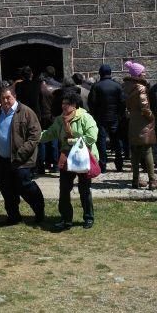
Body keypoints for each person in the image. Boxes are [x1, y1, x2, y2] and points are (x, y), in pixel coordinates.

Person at [40, 89, 98, 230]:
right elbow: (50, 133)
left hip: (83, 156)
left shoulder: (85, 117)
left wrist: (72, 140)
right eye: (63, 103)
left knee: (84, 189)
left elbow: (91, 137)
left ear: (75, 105)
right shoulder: (60, 120)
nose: (64, 106)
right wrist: (34, 137)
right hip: (66, 156)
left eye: (68, 104)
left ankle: (88, 218)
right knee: (64, 189)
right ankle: (66, 219)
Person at [0, 87, 45, 226]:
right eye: (2, 98)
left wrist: (21, 153)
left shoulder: (26, 112)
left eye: (8, 97)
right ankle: (13, 216)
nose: (5, 101)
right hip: (4, 159)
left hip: (22, 160)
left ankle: (40, 212)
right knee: (7, 189)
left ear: (14, 96)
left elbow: (35, 135)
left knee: (26, 187)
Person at [123, 60, 157, 190]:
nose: (145, 73)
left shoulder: (126, 86)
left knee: (135, 152)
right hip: (143, 122)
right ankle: (152, 180)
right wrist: (152, 117)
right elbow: (145, 107)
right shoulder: (141, 87)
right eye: (143, 72)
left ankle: (135, 180)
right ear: (138, 74)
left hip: (133, 120)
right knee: (147, 150)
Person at [88, 64, 126, 173]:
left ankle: (103, 166)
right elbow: (123, 102)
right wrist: (120, 114)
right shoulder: (117, 86)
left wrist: (94, 114)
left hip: (101, 117)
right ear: (110, 73)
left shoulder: (96, 86)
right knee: (117, 141)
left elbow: (92, 102)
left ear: (100, 73)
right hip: (114, 117)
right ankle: (119, 164)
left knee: (102, 142)